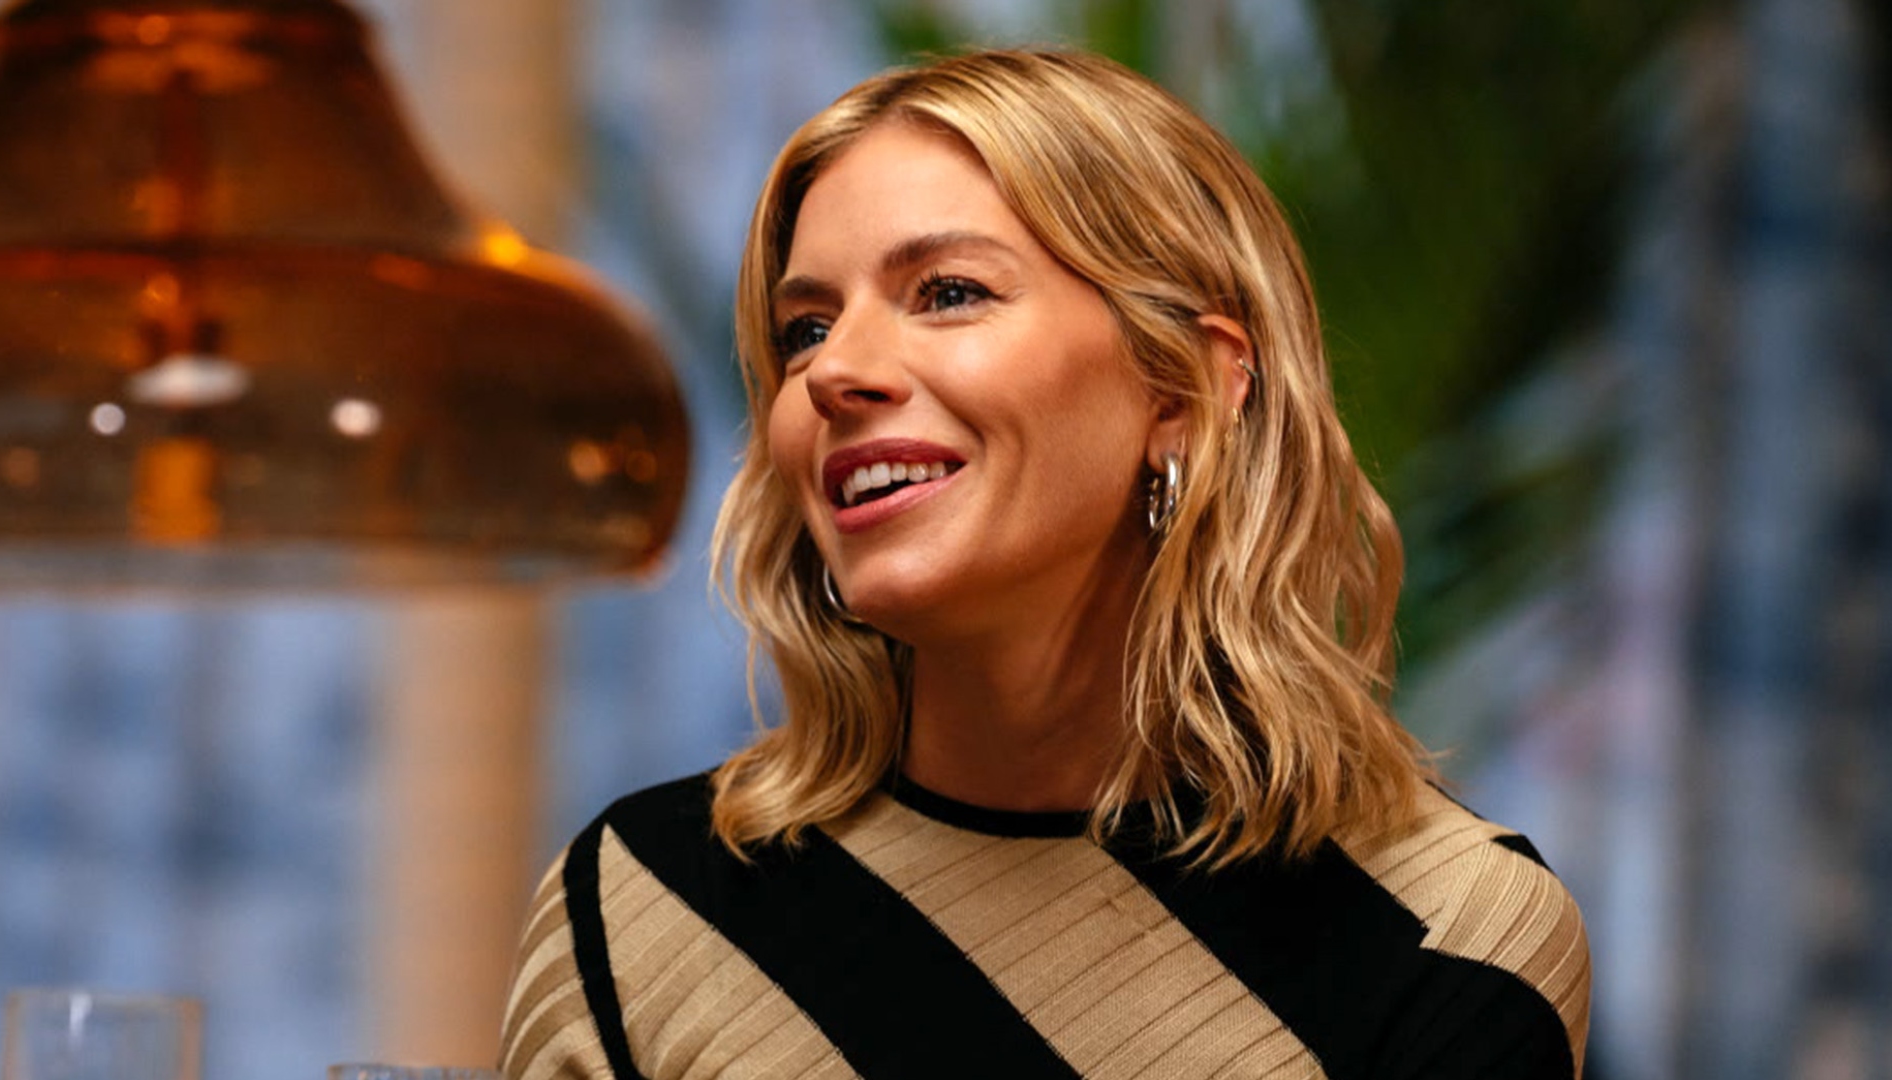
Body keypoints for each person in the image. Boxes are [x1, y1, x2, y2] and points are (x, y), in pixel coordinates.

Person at [499, 48, 1591, 1080]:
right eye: (805, 330)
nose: (833, 373)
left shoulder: (1447, 931)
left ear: (1185, 391)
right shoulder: (640, 908)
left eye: (948, 292)